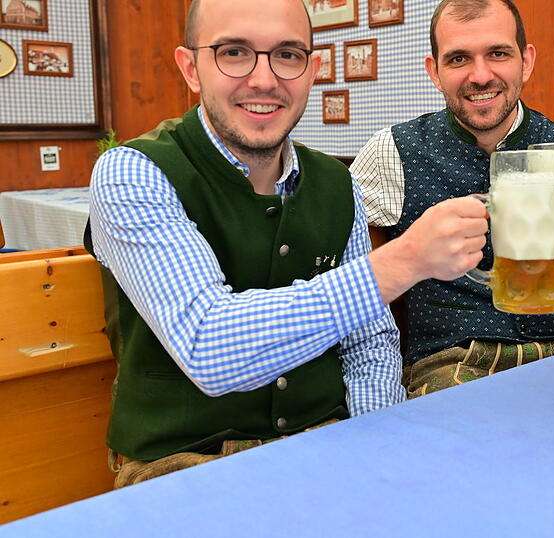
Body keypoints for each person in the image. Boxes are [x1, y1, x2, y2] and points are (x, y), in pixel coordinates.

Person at [87, 0, 488, 487]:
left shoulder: (337, 185)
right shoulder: (133, 172)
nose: (263, 79)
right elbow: (207, 347)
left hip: (326, 440)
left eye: (288, 54)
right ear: (190, 68)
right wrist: (402, 261)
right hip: (183, 462)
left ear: (312, 70)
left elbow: (370, 343)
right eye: (234, 52)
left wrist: (377, 445)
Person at [351, 0, 554, 397]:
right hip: (446, 365)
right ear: (435, 72)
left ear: (525, 62)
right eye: (459, 58)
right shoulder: (390, 153)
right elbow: (353, 284)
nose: (481, 76)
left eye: (498, 53)